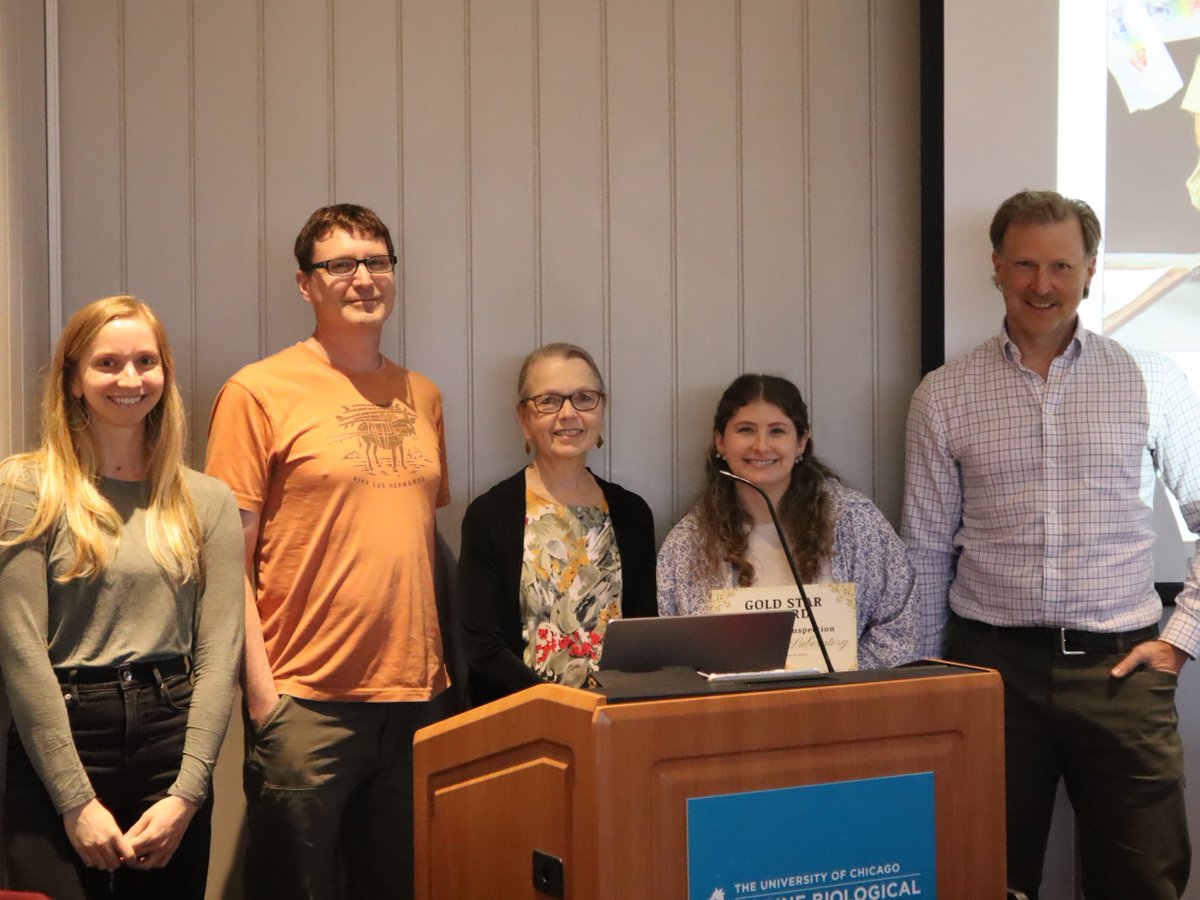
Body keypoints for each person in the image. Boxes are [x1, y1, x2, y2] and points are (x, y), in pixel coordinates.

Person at [902, 189, 1200, 900]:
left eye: (1062, 266)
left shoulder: (1151, 380)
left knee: (1143, 880)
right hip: (990, 668)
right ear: (997, 267)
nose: (1044, 285)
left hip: (1123, 669)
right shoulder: (943, 395)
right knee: (983, 875)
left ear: (1090, 271)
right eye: (1027, 265)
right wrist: (925, 684)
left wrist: (1180, 639)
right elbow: (924, 550)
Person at [205, 204, 451, 899]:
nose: (363, 277)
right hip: (305, 698)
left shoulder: (422, 395)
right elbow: (226, 561)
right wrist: (262, 697)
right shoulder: (258, 392)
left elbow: (412, 538)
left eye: (376, 261)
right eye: (340, 264)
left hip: (414, 701)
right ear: (305, 284)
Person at [0, 295, 243, 900]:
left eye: (146, 361)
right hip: (61, 732)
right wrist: (74, 799)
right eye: (107, 364)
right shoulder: (25, 489)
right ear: (74, 380)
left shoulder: (206, 500)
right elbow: (20, 650)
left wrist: (187, 793)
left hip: (172, 732)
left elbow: (219, 654)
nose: (130, 379)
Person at [657, 374, 918, 669]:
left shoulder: (855, 520)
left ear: (801, 442)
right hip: (735, 710)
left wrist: (842, 682)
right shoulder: (688, 544)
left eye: (777, 431)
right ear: (720, 441)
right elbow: (679, 660)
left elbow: (899, 631)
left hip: (841, 706)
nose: (761, 446)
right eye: (745, 430)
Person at [459, 343, 657, 704]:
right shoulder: (490, 515)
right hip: (519, 721)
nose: (568, 413)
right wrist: (559, 705)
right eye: (549, 401)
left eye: (584, 398)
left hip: (615, 718)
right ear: (523, 419)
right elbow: (481, 646)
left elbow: (645, 634)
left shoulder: (633, 514)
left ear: (602, 409)